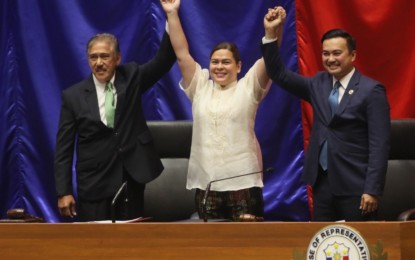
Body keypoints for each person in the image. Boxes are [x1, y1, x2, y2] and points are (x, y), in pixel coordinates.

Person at [160, 0, 286, 221]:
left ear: (238, 66)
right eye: (215, 62)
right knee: (210, 250)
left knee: (247, 249)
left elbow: (270, 60)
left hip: (243, 185)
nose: (219, 67)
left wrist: (272, 31)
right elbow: (182, 54)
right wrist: (172, 14)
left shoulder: (249, 87)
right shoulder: (200, 87)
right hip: (207, 185)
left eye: (226, 62)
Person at [261, 7, 391, 221]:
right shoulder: (318, 83)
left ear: (353, 55)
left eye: (337, 53)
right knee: (325, 248)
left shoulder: (371, 90)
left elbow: (380, 144)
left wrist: (373, 189)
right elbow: (279, 74)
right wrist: (270, 34)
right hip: (322, 184)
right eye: (326, 53)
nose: (330, 59)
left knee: (358, 249)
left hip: (357, 187)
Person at [54, 27, 176, 221]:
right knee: (95, 246)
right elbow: (63, 148)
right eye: (93, 57)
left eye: (104, 56)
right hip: (93, 184)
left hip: (129, 181)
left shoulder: (131, 78)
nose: (99, 63)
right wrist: (64, 192)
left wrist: (171, 17)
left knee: (129, 246)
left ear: (117, 58)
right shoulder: (73, 96)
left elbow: (164, 60)